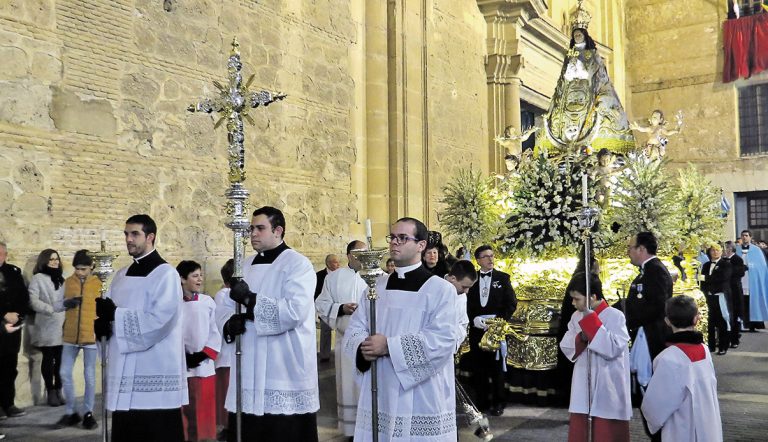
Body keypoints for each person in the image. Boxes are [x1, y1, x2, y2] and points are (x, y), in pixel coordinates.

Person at [343, 217, 458, 441]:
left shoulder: (440, 290)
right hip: (381, 384)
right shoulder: (376, 287)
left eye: (403, 238)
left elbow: (443, 340)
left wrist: (389, 346)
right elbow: (356, 326)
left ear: (421, 245)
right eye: (392, 237)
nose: (394, 242)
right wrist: (362, 347)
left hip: (421, 392)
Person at [219, 206, 319, 441]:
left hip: (283, 366)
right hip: (248, 362)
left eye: (260, 228)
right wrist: (228, 322)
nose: (253, 234)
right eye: (251, 228)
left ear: (278, 231)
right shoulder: (243, 265)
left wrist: (249, 299)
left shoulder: (298, 264)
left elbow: (294, 311)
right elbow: (224, 305)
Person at [96, 214, 187, 441]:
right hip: (124, 371)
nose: (128, 239)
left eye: (135, 234)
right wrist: (102, 328)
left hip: (154, 368)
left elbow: (160, 320)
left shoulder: (166, 274)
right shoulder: (120, 276)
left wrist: (115, 315)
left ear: (151, 237)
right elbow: (112, 320)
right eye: (126, 234)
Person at [542, 3, 634, 155]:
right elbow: (564, 76)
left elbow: (595, 73)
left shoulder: (592, 54)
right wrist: (571, 71)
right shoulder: (569, 55)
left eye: (579, 34)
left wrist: (581, 69)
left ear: (584, 35)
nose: (577, 37)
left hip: (588, 89)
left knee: (600, 107)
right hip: (570, 91)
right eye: (575, 35)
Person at [560, 272, 631, 442]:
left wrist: (592, 325)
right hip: (584, 378)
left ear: (592, 297)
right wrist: (581, 338)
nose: (573, 303)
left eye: (577, 299)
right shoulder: (576, 316)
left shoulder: (615, 316)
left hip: (608, 380)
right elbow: (567, 344)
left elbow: (614, 348)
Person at [641, 296, 722, 441]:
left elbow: (655, 406)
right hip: (708, 425)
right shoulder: (704, 350)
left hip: (681, 429)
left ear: (667, 321)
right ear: (696, 319)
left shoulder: (668, 358)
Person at [315, 240, 368, 440]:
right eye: (358, 253)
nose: (362, 257)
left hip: (371, 343)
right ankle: (352, 432)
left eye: (365, 253)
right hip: (346, 342)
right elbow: (321, 303)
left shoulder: (380, 278)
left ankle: (372, 428)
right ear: (349, 256)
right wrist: (341, 308)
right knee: (348, 386)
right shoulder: (334, 278)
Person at [465, 244, 517, 415]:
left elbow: (511, 303)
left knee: (496, 368)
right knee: (479, 367)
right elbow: (465, 302)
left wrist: (498, 320)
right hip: (477, 330)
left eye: (492, 256)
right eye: (486, 256)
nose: (490, 259)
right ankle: (481, 402)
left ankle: (498, 402)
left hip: (497, 331)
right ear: (478, 260)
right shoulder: (471, 279)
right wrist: (474, 319)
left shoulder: (503, 278)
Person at [624, 232, 673, 397]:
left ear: (641, 249)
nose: (628, 252)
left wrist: (630, 320)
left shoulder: (655, 271)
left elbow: (658, 306)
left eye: (630, 248)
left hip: (653, 336)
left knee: (652, 391)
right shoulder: (646, 271)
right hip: (645, 332)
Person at [57, 250, 101, 429]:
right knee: (64, 373)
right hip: (70, 335)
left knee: (89, 376)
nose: (79, 272)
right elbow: (56, 304)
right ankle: (71, 411)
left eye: (83, 269)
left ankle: (88, 413)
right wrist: (66, 303)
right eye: (76, 269)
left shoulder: (100, 284)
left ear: (91, 266)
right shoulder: (68, 282)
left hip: (91, 335)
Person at [178, 260, 220, 442]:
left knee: (203, 412)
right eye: (195, 276)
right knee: (183, 412)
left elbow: (215, 331)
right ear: (182, 279)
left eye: (200, 275)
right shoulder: (174, 305)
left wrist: (203, 354)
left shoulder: (207, 302)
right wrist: (182, 356)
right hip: (181, 365)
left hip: (204, 366)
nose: (200, 279)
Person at [27, 248, 66, 407]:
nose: (55, 261)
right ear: (44, 261)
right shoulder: (38, 278)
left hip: (62, 324)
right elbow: (33, 300)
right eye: (51, 259)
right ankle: (50, 391)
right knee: (48, 360)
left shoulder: (62, 279)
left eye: (56, 258)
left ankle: (59, 389)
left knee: (62, 361)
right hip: (46, 324)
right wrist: (49, 308)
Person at [0, 241, 29, 419]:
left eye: (2, 253)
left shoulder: (14, 272)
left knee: (10, 367)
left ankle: (8, 404)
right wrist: (4, 314)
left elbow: (23, 296)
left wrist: (18, 314)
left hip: (13, 328)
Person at [213, 259, 234, 441]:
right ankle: (228, 426)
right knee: (226, 392)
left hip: (235, 354)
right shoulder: (223, 294)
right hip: (227, 354)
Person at [699, 244, 732, 355]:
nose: (715, 252)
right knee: (709, 322)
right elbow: (701, 281)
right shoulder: (706, 265)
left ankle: (723, 346)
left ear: (721, 251)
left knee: (722, 322)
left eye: (717, 250)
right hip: (708, 296)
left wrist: (705, 278)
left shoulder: (726, 264)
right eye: (713, 250)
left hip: (720, 296)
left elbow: (722, 278)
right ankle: (711, 346)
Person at [736, 230, 768, 331]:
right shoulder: (737, 250)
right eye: (743, 236)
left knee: (752, 301)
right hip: (740, 280)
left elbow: (762, 267)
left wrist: (751, 266)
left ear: (750, 237)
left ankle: (754, 325)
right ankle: (742, 324)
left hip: (752, 281)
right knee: (742, 301)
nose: (744, 237)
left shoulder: (757, 250)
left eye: (746, 235)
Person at [443, 260, 477, 352]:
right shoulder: (432, 286)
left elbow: (463, 323)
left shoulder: (462, 296)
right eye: (464, 287)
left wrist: (454, 338)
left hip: (449, 347)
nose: (466, 292)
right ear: (453, 278)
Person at [315, 254, 340, 362]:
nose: (338, 264)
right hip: (325, 307)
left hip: (339, 306)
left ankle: (341, 353)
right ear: (328, 263)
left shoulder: (340, 275)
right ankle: (325, 355)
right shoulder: (319, 275)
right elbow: (315, 292)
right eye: (335, 262)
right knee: (325, 331)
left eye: (338, 262)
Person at [723, 241, 745, 347]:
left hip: (735, 290)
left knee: (735, 315)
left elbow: (741, 272)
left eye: (724, 248)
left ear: (730, 249)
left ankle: (735, 340)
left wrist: (728, 268)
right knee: (726, 315)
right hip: (725, 290)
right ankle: (726, 339)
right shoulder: (723, 260)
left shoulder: (737, 259)